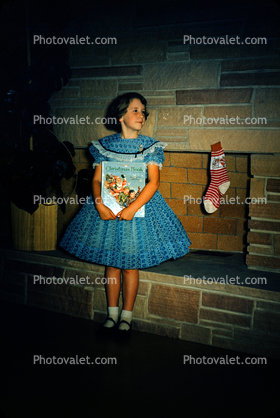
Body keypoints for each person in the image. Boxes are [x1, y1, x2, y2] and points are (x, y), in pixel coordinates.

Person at [60, 92, 191, 334]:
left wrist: (131, 208)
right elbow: (97, 179)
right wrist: (99, 204)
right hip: (108, 209)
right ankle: (111, 314)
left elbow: (153, 182)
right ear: (120, 116)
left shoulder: (151, 146)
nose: (141, 115)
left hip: (138, 211)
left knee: (130, 265)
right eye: (135, 110)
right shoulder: (104, 146)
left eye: (143, 111)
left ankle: (126, 316)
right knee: (111, 263)